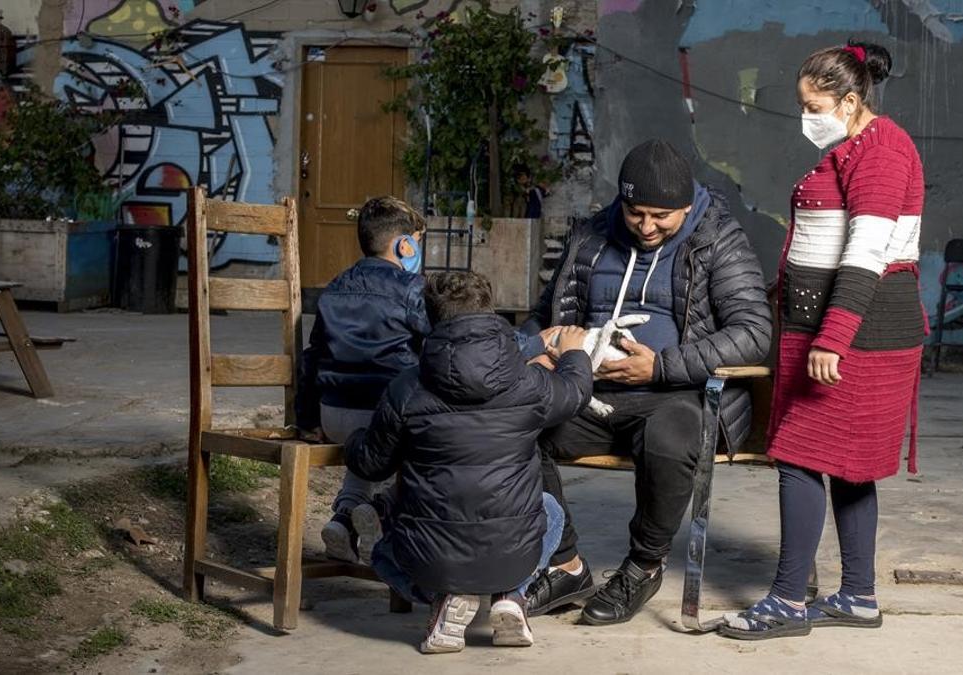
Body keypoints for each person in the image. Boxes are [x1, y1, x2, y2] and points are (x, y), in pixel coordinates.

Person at [518, 139, 773, 625]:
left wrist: (659, 367)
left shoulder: (717, 238)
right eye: (636, 213)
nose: (647, 227)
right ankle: (565, 562)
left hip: (676, 394)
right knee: (516, 425)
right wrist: (539, 348)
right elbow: (542, 311)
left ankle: (644, 564)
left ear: (686, 205)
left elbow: (753, 333)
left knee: (672, 436)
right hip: (585, 391)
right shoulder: (592, 234)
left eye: (662, 216)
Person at [719, 40, 925, 641]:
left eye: (814, 105)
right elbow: (823, 237)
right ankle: (858, 595)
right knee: (849, 467)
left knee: (800, 457)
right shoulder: (850, 147)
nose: (806, 115)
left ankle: (786, 602)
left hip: (859, 336)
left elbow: (867, 252)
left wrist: (832, 337)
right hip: (828, 328)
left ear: (851, 99)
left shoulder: (883, 150)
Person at [345, 271, 595, 654]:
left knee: (380, 547)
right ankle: (512, 595)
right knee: (550, 510)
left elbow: (371, 465)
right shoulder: (528, 383)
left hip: (431, 563)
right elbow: (576, 393)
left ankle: (445, 600)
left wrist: (352, 439)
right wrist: (576, 353)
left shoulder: (407, 388)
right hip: (513, 556)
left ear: (430, 320)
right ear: (491, 313)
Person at [294, 196, 429, 565]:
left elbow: (312, 357)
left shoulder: (335, 287)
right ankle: (383, 514)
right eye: (418, 241)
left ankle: (343, 519)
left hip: (334, 416)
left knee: (365, 449)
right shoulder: (411, 290)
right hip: (386, 418)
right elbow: (437, 347)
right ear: (405, 245)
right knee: (426, 441)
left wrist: (307, 422)